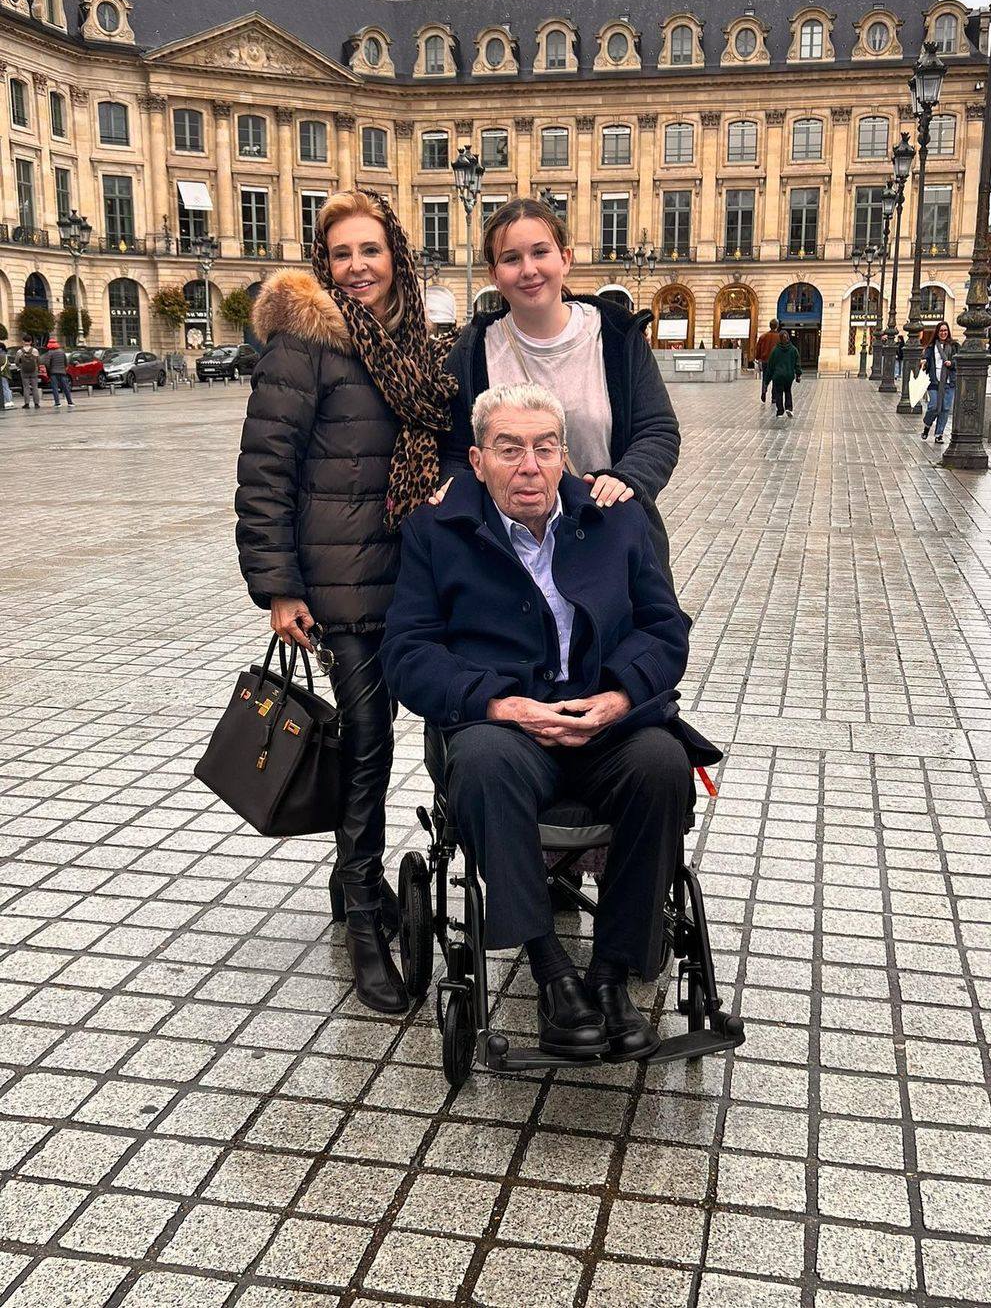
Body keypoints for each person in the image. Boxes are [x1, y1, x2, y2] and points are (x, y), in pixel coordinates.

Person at [382, 383, 719, 1062]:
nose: (529, 466)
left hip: (607, 724)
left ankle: (611, 973)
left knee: (660, 765)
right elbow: (408, 652)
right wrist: (497, 703)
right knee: (480, 762)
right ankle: (552, 971)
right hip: (506, 727)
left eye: (544, 448)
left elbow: (665, 628)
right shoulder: (434, 530)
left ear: (565, 455)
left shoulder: (615, 519)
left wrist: (621, 697)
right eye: (509, 449)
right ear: (477, 462)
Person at [235, 188, 457, 1015]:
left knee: (420, 729)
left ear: (395, 252)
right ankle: (363, 907)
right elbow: (265, 476)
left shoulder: (419, 348)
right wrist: (280, 587)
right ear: (321, 265)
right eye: (340, 255)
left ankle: (349, 879)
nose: (356, 267)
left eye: (370, 250)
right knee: (366, 740)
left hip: (417, 579)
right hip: (338, 590)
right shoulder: (304, 347)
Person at [442, 197, 679, 575]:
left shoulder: (617, 335)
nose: (529, 270)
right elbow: (456, 449)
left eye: (540, 252)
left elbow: (658, 430)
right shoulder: (474, 349)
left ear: (565, 258)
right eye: (511, 258)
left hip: (609, 535)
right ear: (493, 273)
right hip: (512, 555)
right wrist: (457, 489)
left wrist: (626, 479)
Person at [920, 320, 957, 444]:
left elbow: (959, 361)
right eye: (941, 331)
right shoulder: (931, 347)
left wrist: (952, 363)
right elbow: (926, 359)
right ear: (937, 332)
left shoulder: (954, 346)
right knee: (934, 406)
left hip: (948, 381)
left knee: (945, 408)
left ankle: (939, 434)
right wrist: (924, 362)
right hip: (934, 381)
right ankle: (927, 425)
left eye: (945, 331)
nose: (943, 333)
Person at [761, 328, 801, 417]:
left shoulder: (775, 350)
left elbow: (770, 367)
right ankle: (789, 408)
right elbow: (797, 363)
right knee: (788, 391)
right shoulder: (793, 350)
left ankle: (780, 411)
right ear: (788, 338)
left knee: (779, 393)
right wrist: (798, 374)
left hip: (778, 376)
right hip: (789, 376)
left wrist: (766, 381)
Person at [754, 319, 781, 397]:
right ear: (777, 326)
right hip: (776, 362)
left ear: (770, 326)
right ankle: (774, 397)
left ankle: (764, 391)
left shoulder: (763, 336)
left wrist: (758, 357)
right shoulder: (780, 337)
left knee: (765, 377)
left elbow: (758, 348)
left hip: (765, 361)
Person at [43, 339, 73, 407]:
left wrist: (49, 371)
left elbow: (47, 364)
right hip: (62, 372)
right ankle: (70, 402)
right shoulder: (62, 352)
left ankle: (57, 403)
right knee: (66, 387)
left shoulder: (49, 353)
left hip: (53, 373)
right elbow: (66, 363)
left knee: (55, 388)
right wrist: (64, 369)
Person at [15, 336, 41, 409]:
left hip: (24, 371)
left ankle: (27, 404)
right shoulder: (35, 350)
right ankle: (36, 404)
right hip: (34, 370)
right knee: (35, 387)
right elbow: (39, 361)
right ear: (31, 342)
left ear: (23, 341)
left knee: (26, 387)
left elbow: (16, 362)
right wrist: (36, 366)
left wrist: (20, 366)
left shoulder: (19, 351)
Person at [0, 342, 13, 409]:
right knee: (6, 387)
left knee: (5, 387)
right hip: (5, 373)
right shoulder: (5, 355)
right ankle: (9, 400)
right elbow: (9, 364)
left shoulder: (1, 355)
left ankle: (8, 401)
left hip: (2, 373)